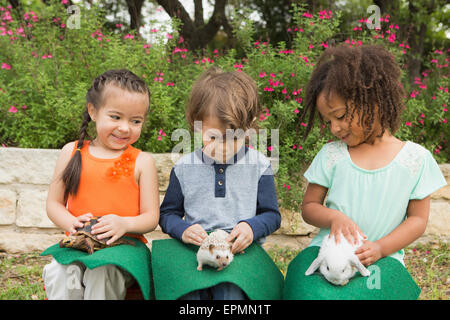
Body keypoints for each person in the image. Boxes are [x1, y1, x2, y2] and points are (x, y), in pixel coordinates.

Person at [283, 44, 447, 300]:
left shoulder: (415, 159)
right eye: (328, 121)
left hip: (381, 258)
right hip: (329, 254)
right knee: (304, 289)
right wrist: (334, 218)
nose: (335, 128)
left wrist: (381, 248)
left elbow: (417, 220)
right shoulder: (332, 155)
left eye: (341, 115)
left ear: (372, 100)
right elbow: (309, 206)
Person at [153, 66, 283, 300]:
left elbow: (272, 215)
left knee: (231, 293)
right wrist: (182, 230)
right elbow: (168, 214)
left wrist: (251, 228)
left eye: (232, 137)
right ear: (196, 124)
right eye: (212, 137)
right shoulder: (184, 168)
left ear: (249, 128)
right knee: (189, 294)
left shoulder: (259, 166)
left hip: (242, 253)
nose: (222, 147)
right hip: (196, 250)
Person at [41, 69, 160, 300]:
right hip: (78, 245)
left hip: (124, 248)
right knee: (62, 272)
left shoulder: (142, 162)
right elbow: (54, 204)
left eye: (135, 121)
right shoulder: (72, 152)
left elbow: (151, 217)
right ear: (93, 111)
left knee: (102, 271)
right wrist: (72, 222)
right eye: (115, 117)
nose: (125, 127)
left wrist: (124, 223)